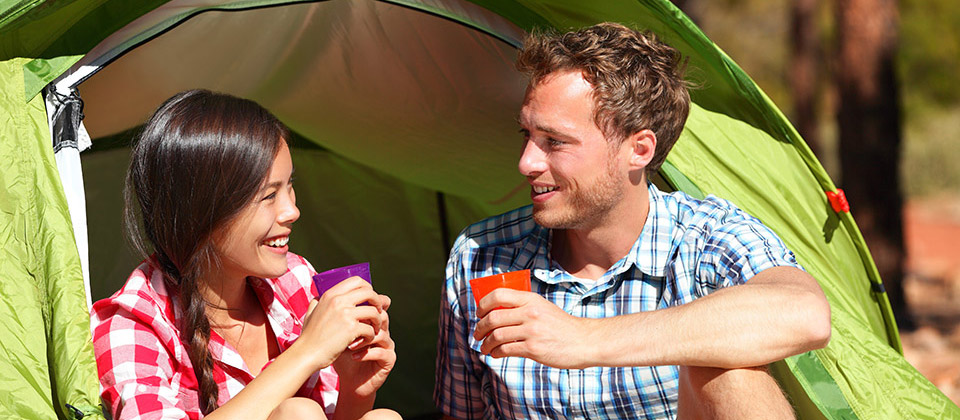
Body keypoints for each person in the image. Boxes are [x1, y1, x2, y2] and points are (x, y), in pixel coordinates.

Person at [435, 23, 831, 419]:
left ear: (638, 150)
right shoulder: (482, 255)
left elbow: (806, 314)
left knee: (729, 374)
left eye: (555, 141)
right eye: (527, 134)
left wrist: (583, 338)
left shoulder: (702, 239)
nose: (526, 163)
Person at [91, 90, 401, 420]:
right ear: (201, 213)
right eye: (268, 196)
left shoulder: (296, 279)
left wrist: (355, 389)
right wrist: (307, 351)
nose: (292, 211)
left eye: (289, 186)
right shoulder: (132, 323)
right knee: (298, 414)